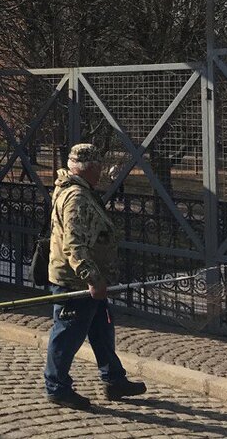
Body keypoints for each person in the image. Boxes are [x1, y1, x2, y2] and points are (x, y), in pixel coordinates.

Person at [44, 143, 146, 409]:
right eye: (98, 167)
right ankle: (56, 386)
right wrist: (91, 277)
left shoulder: (79, 191)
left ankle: (114, 379)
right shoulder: (76, 196)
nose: (100, 172)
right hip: (75, 281)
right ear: (87, 168)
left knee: (102, 330)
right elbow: (73, 243)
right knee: (67, 334)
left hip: (91, 278)